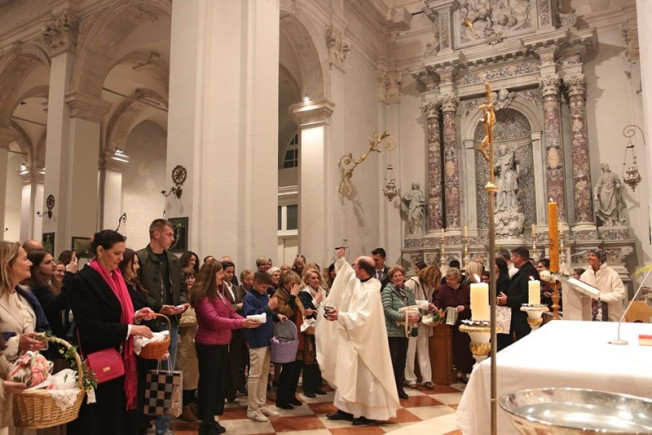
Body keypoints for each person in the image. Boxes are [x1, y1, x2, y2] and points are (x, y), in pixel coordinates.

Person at [68, 230, 155, 435]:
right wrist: (130, 329)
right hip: (100, 359)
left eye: (122, 253)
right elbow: (89, 327)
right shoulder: (84, 280)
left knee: (118, 419)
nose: (121, 258)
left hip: (119, 358)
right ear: (100, 251)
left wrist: (135, 316)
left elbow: (115, 314)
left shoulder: (115, 276)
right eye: (116, 253)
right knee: (103, 421)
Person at [317, 248, 400, 425]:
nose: (353, 268)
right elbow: (347, 274)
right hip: (354, 339)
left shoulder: (371, 291)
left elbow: (363, 318)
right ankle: (346, 410)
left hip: (366, 342)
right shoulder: (361, 282)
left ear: (362, 271)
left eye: (355, 266)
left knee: (365, 377)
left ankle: (369, 413)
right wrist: (341, 260)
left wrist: (340, 316)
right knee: (348, 373)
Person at [192, 259, 259, 435]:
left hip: (222, 343)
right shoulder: (203, 295)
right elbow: (213, 321)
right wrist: (241, 324)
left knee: (220, 383)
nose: (223, 276)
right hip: (208, 345)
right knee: (209, 384)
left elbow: (230, 313)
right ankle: (205, 423)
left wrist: (246, 321)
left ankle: (212, 418)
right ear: (211, 275)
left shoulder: (219, 292)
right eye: (220, 273)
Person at [136, 219, 188, 435]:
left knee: (166, 373)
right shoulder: (140, 258)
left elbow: (183, 287)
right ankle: (141, 422)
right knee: (143, 373)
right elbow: (137, 289)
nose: (173, 238)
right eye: (169, 234)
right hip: (148, 323)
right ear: (156, 234)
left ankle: (162, 427)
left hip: (170, 324)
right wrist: (158, 307)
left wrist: (181, 304)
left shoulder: (173, 260)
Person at [0, 242, 45, 435]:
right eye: (25, 259)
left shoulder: (23, 295)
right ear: (8, 264)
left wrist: (35, 341)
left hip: (22, 378)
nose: (30, 264)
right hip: (4, 376)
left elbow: (33, 325)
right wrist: (18, 341)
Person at [242, 271, 285, 423]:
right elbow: (252, 317)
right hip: (256, 340)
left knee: (265, 373)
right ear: (255, 282)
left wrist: (276, 315)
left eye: (267, 287)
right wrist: (268, 307)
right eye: (263, 287)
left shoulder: (263, 295)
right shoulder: (249, 297)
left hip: (267, 338)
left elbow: (268, 312)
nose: (265, 290)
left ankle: (261, 404)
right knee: (254, 375)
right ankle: (252, 409)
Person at [382, 265, 419, 400]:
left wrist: (417, 316)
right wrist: (404, 317)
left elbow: (413, 307)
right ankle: (389, 390)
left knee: (401, 362)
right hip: (391, 332)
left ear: (403, 277)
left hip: (404, 332)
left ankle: (399, 388)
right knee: (391, 362)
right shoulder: (387, 291)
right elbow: (387, 309)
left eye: (400, 275)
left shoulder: (408, 291)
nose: (398, 278)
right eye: (395, 276)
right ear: (391, 278)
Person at [433, 267, 472, 383]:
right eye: (447, 278)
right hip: (449, 322)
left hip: (463, 321)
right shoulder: (443, 289)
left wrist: (464, 307)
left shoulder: (466, 289)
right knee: (451, 347)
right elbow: (438, 302)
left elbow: (472, 304)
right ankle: (453, 371)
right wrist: (435, 308)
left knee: (463, 347)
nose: (448, 281)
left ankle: (464, 371)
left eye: (451, 279)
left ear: (458, 279)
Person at [273, 271, 306, 409]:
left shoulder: (296, 295)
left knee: (297, 368)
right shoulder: (278, 295)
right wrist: (292, 297)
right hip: (287, 336)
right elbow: (285, 313)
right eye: (292, 284)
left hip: (298, 333)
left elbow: (300, 311)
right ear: (284, 283)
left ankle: (291, 395)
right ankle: (282, 399)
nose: (295, 286)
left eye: (297, 284)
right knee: (288, 369)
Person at [404, 265, 441, 389]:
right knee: (410, 351)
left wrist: (431, 307)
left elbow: (428, 300)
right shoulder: (411, 283)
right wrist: (425, 304)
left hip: (423, 321)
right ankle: (410, 379)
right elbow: (405, 301)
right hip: (412, 321)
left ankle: (427, 378)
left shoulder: (429, 285)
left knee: (424, 350)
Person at [497, 246, 539, 348]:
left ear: (518, 257)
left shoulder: (528, 271)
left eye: (512, 257)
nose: (511, 259)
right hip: (519, 316)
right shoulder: (524, 270)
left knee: (525, 345)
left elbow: (526, 295)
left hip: (524, 318)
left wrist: (508, 300)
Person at [298, 267, 326, 398]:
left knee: (319, 358)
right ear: (307, 280)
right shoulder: (304, 293)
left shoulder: (323, 291)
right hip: (310, 329)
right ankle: (308, 388)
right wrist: (316, 301)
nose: (316, 280)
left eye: (317, 278)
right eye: (313, 278)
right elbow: (305, 309)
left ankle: (317, 385)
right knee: (309, 359)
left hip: (322, 327)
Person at [222, 261, 247, 403]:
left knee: (236, 361)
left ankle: (232, 391)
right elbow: (223, 307)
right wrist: (237, 306)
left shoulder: (236, 288)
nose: (231, 275)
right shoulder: (220, 288)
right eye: (228, 272)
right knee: (227, 361)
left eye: (232, 272)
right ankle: (225, 391)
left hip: (238, 327)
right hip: (226, 326)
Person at [176, 272, 199, 422]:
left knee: (195, 376)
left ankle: (191, 403)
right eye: (187, 278)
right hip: (183, 342)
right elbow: (177, 319)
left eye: (192, 277)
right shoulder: (179, 297)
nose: (190, 280)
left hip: (197, 341)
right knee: (185, 376)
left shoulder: (197, 296)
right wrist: (196, 318)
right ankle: (183, 407)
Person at [580, 248, 625, 322]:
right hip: (590, 317)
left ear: (601, 258)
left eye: (593, 255)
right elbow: (581, 294)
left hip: (611, 317)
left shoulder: (612, 274)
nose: (589, 257)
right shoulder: (584, 275)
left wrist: (600, 297)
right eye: (588, 255)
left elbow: (620, 294)